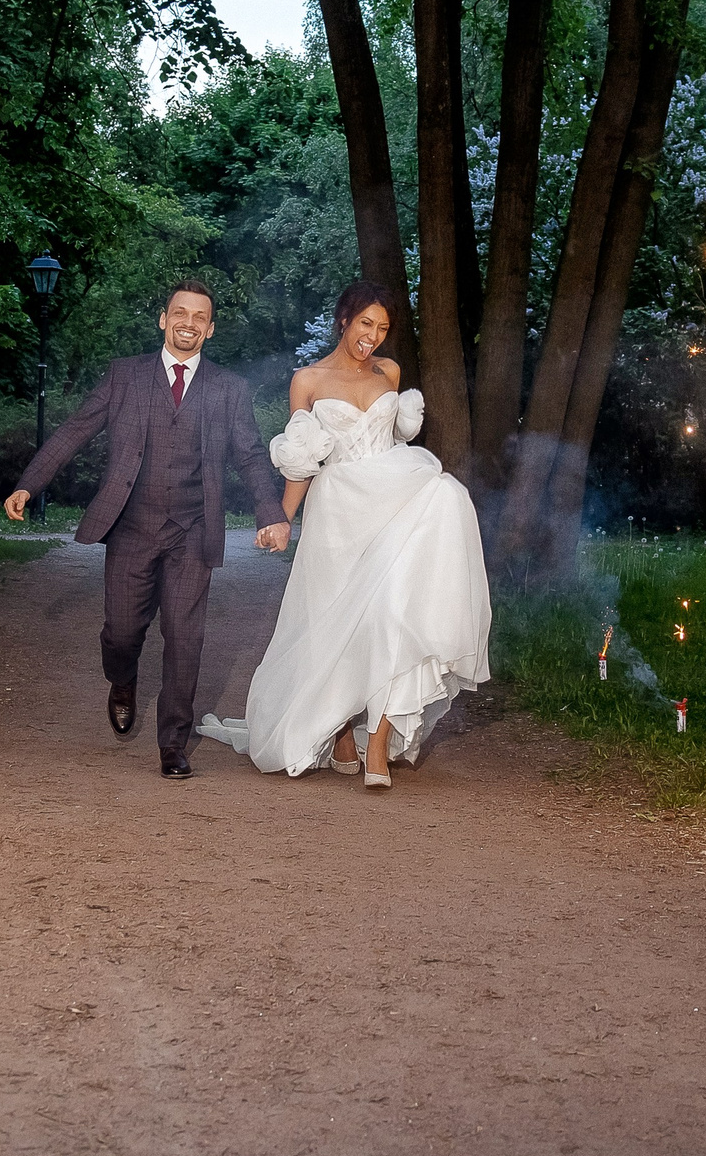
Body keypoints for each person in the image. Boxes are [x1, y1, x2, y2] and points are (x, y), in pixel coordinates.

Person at [195, 282, 491, 787]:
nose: (371, 338)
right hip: (337, 510)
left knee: (393, 611)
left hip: (390, 500)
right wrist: (281, 519)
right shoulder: (307, 381)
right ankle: (340, 736)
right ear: (343, 321)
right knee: (331, 620)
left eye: (381, 329)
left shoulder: (390, 373)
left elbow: (393, 441)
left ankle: (378, 741)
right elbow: (302, 461)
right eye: (364, 325)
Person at [4, 282, 291, 779]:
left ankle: (173, 744)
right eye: (180, 313)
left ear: (210, 328)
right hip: (132, 528)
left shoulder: (228, 388)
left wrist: (272, 512)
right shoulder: (124, 377)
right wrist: (30, 484)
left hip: (192, 533)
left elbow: (247, 454)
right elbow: (76, 428)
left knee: (185, 640)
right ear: (163, 319)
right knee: (121, 633)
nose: (188, 322)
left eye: (199, 317)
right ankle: (122, 679)